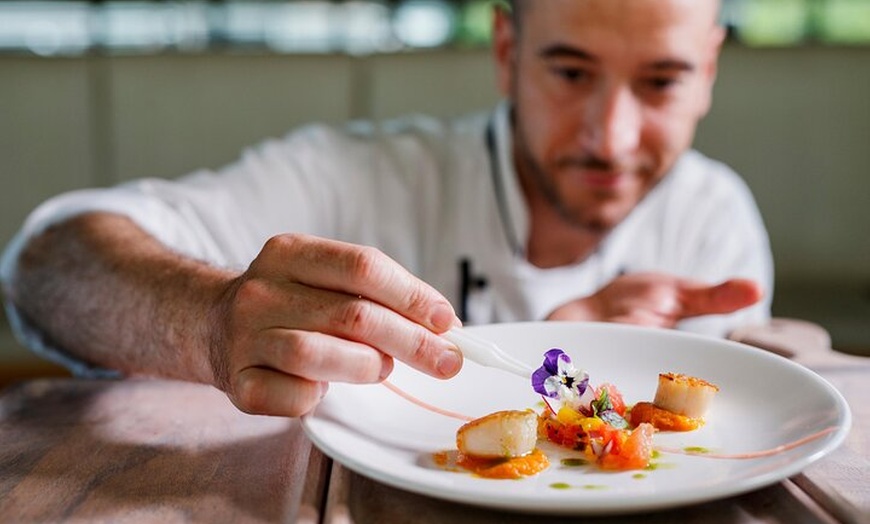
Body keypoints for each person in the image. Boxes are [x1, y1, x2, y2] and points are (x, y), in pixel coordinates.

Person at [0, 0, 771, 418]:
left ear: (709, 70)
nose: (612, 137)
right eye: (570, 72)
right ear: (506, 50)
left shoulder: (714, 225)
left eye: (662, 82)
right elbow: (46, 261)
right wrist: (208, 320)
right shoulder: (356, 178)